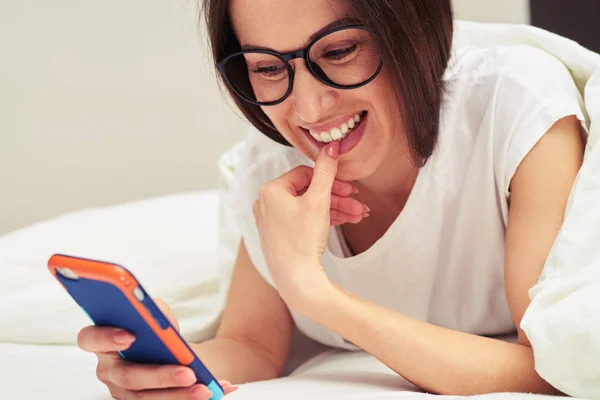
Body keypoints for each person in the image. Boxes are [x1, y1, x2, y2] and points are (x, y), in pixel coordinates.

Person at [76, 0, 588, 398]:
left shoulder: (517, 108)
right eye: (268, 68)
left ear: (412, 31)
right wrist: (163, 370)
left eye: (339, 52)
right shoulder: (272, 162)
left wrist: (315, 295)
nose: (308, 107)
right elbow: (251, 346)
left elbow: (549, 368)